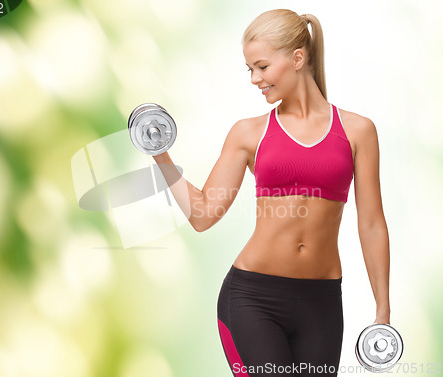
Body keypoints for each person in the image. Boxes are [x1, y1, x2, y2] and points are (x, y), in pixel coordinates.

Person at [152, 8, 390, 377]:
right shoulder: (249, 133)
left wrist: (383, 309)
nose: (254, 79)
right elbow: (202, 215)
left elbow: (372, 224)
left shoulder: (359, 131)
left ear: (297, 58)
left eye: (262, 67)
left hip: (323, 304)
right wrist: (159, 153)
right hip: (252, 299)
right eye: (249, 69)